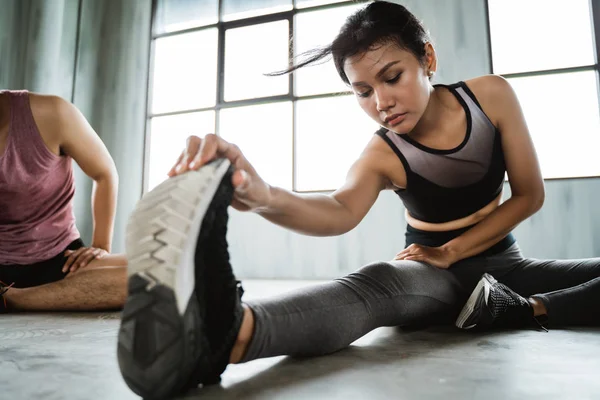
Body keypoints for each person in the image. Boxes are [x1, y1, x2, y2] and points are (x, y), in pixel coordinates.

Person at [116, 1, 600, 398]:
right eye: (363, 91)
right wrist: (261, 196)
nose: (380, 103)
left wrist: (455, 250)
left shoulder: (491, 98)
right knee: (375, 287)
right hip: (435, 274)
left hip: (508, 268)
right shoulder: (382, 153)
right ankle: (224, 334)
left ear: (427, 59)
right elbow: (339, 211)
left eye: (392, 78)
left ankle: (525, 310)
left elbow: (530, 195)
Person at [0, 89, 127, 312]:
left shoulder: (52, 112)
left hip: (62, 258)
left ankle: (12, 298)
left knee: (160, 273)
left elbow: (105, 173)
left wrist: (100, 247)